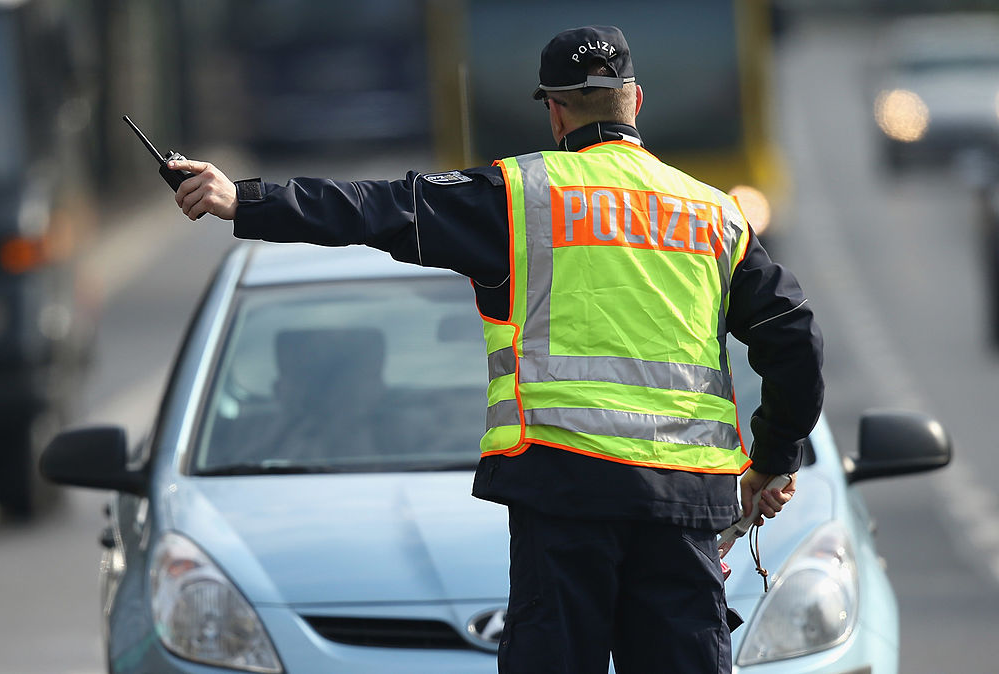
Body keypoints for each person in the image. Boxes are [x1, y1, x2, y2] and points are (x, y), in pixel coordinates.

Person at [167, 25, 824, 674]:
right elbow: (795, 339)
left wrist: (243, 200)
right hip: (684, 502)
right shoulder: (715, 215)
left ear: (555, 110)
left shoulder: (519, 197)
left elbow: (376, 208)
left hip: (565, 492)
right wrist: (772, 458)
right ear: (636, 101)